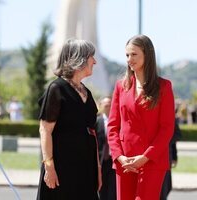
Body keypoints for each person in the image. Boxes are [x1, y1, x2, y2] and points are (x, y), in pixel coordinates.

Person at [107, 35, 175, 200]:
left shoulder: (164, 87)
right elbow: (112, 126)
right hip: (125, 161)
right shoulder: (120, 86)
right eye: (127, 55)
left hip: (152, 161)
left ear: (147, 55)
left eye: (134, 54)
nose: (129, 59)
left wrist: (145, 157)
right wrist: (120, 157)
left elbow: (167, 128)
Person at [36, 38, 102, 200]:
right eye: (91, 57)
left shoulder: (87, 92)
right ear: (79, 59)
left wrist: (97, 168)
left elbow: (91, 132)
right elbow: (45, 129)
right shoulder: (56, 89)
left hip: (86, 167)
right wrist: (49, 165)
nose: (94, 61)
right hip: (62, 165)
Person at [95, 96, 116, 200]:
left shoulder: (117, 121)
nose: (108, 107)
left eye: (110, 105)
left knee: (113, 188)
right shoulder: (97, 121)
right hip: (101, 160)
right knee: (101, 187)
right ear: (102, 106)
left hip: (114, 160)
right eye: (106, 105)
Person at [160, 118, 182, 200]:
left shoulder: (168, 114)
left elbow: (177, 134)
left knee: (165, 188)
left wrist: (175, 156)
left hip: (165, 157)